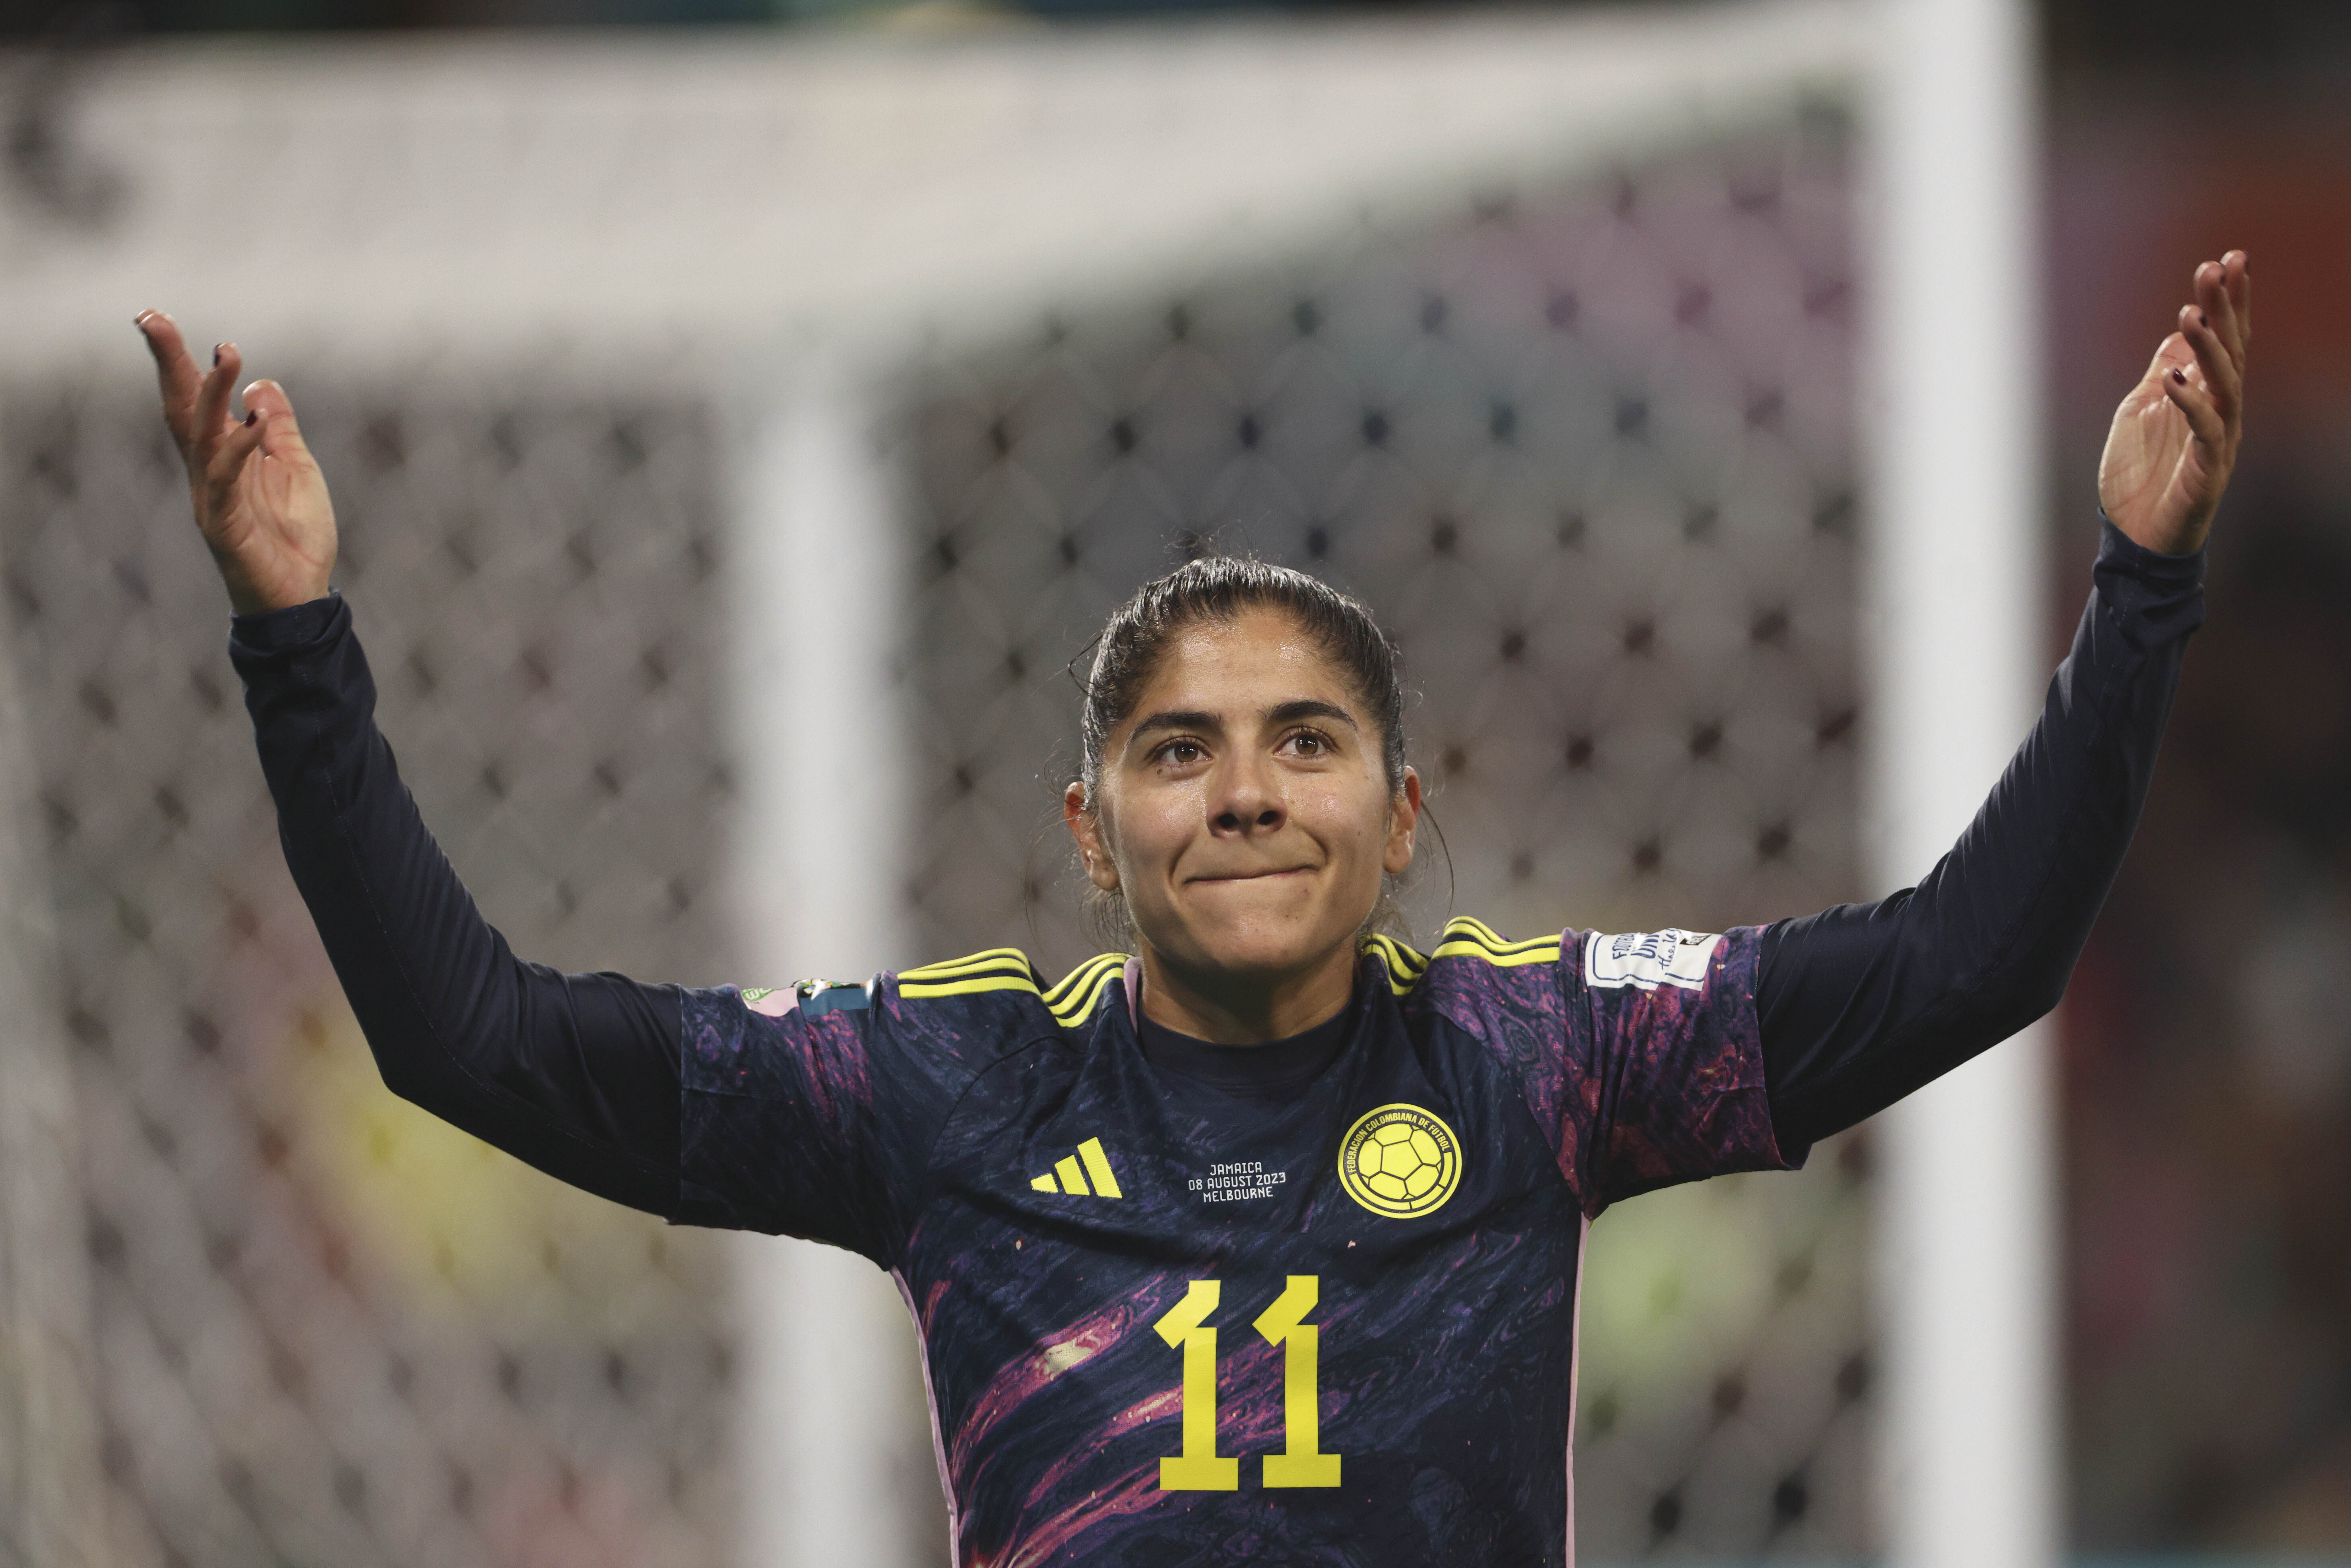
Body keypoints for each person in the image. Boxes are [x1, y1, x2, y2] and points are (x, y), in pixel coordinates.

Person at [134, 248, 2247, 1567]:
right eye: (1180, 749)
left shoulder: (1539, 1055)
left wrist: (2140, 589)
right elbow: (470, 1042)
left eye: (1306, 742)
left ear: (1402, 814)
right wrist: (295, 632)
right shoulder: (944, 1082)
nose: (1244, 787)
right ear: (1090, 832)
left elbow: (1980, 955)